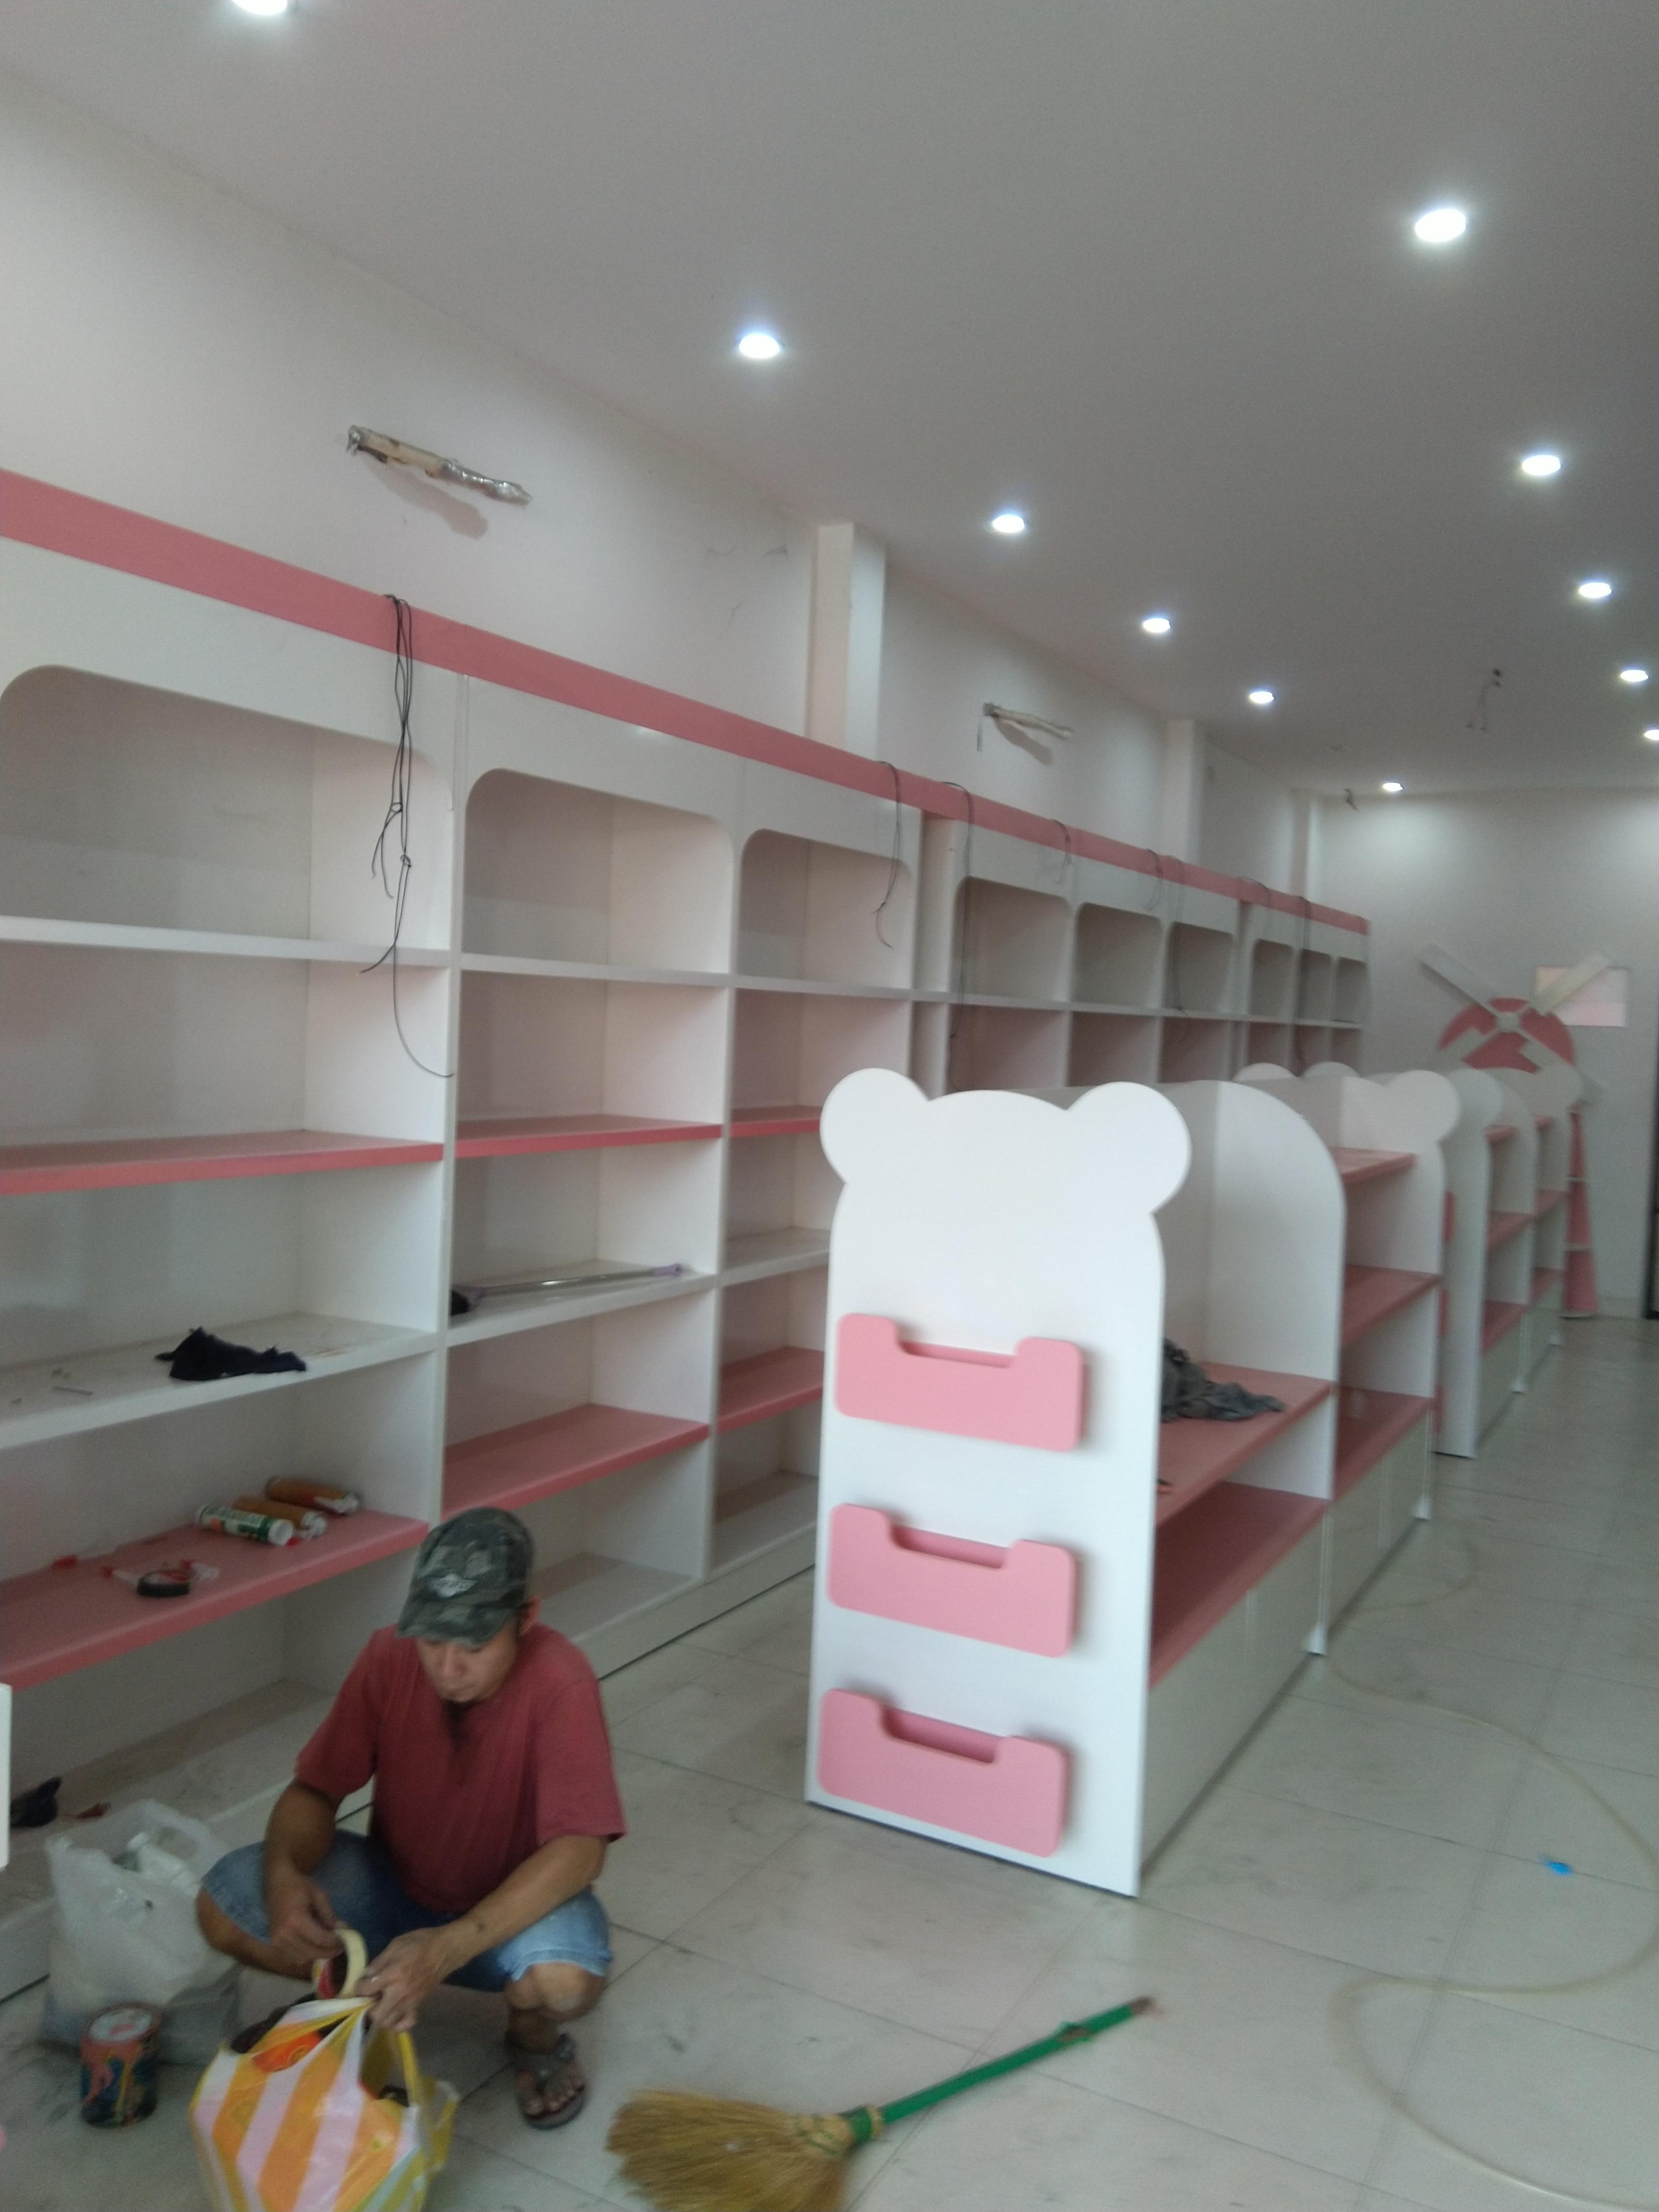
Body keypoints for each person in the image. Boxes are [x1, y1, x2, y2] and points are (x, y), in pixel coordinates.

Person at [197, 1507, 625, 2129]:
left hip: (509, 1915)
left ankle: (531, 2036)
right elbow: (315, 1790)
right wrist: (283, 1876)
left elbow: (581, 1849)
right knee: (224, 1906)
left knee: (564, 1982)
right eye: (431, 1641)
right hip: (395, 1887)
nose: (448, 1669)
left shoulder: (562, 1682)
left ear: (525, 1619)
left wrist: (447, 1947)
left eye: (474, 1645)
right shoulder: (386, 1656)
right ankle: (347, 2002)